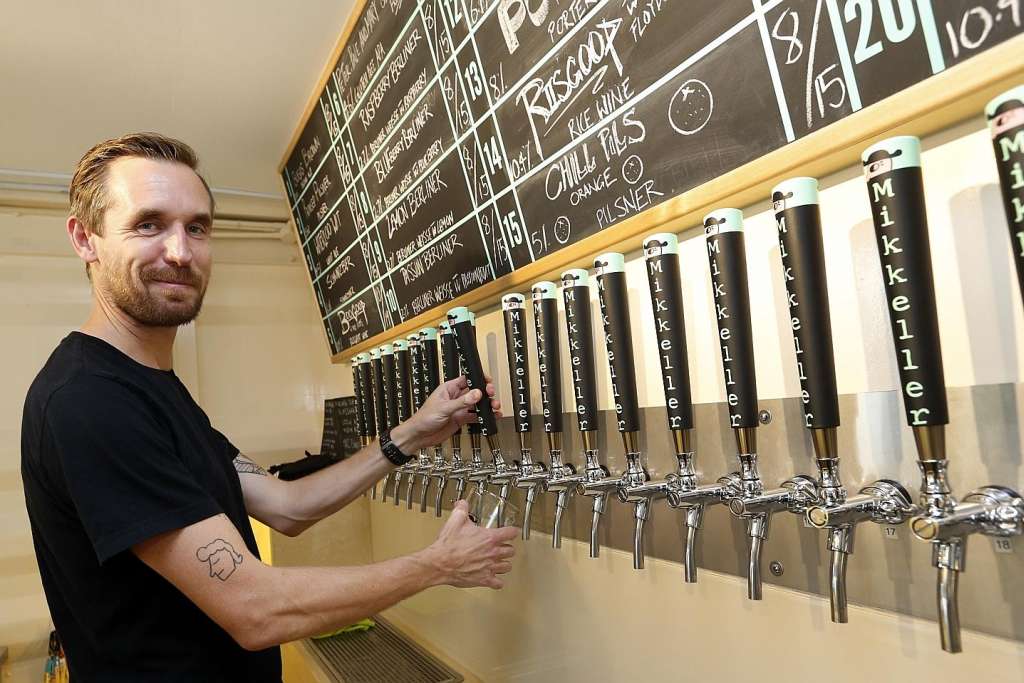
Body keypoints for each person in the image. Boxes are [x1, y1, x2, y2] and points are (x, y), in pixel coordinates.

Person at [20, 132, 518, 682]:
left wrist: (413, 435)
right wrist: (436, 565)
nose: (180, 252)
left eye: (197, 227)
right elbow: (254, 608)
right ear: (85, 239)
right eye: (148, 224)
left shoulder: (153, 390)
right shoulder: (90, 401)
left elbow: (287, 505)